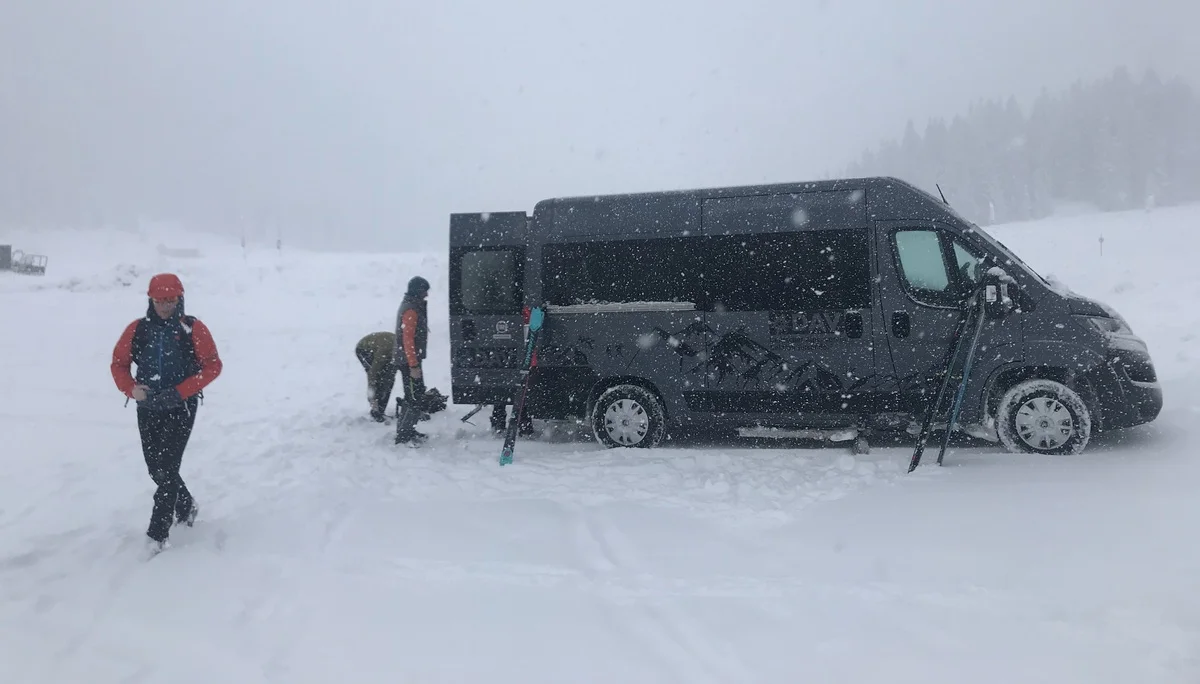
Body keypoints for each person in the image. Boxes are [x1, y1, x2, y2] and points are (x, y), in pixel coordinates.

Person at [110, 273, 223, 552]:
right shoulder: (138, 330)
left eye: (171, 300)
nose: (165, 305)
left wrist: (181, 391)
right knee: (156, 469)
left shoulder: (192, 328)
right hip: (147, 408)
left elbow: (213, 365)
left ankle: (157, 535)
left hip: (181, 408)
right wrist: (131, 389)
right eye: (160, 300)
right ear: (151, 299)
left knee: (168, 467)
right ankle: (186, 505)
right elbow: (119, 363)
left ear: (179, 298)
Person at [394, 275, 430, 446]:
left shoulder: (412, 306)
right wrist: (413, 365)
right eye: (425, 291)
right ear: (418, 291)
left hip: (409, 359)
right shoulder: (411, 310)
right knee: (413, 397)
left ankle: (408, 430)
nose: (427, 295)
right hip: (409, 361)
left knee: (414, 394)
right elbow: (408, 340)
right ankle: (404, 435)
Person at [354, 331, 397, 422]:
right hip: (365, 349)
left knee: (388, 379)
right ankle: (375, 409)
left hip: (384, 349)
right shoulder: (384, 352)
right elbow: (372, 374)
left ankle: (380, 411)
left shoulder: (401, 353)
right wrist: (372, 397)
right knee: (377, 377)